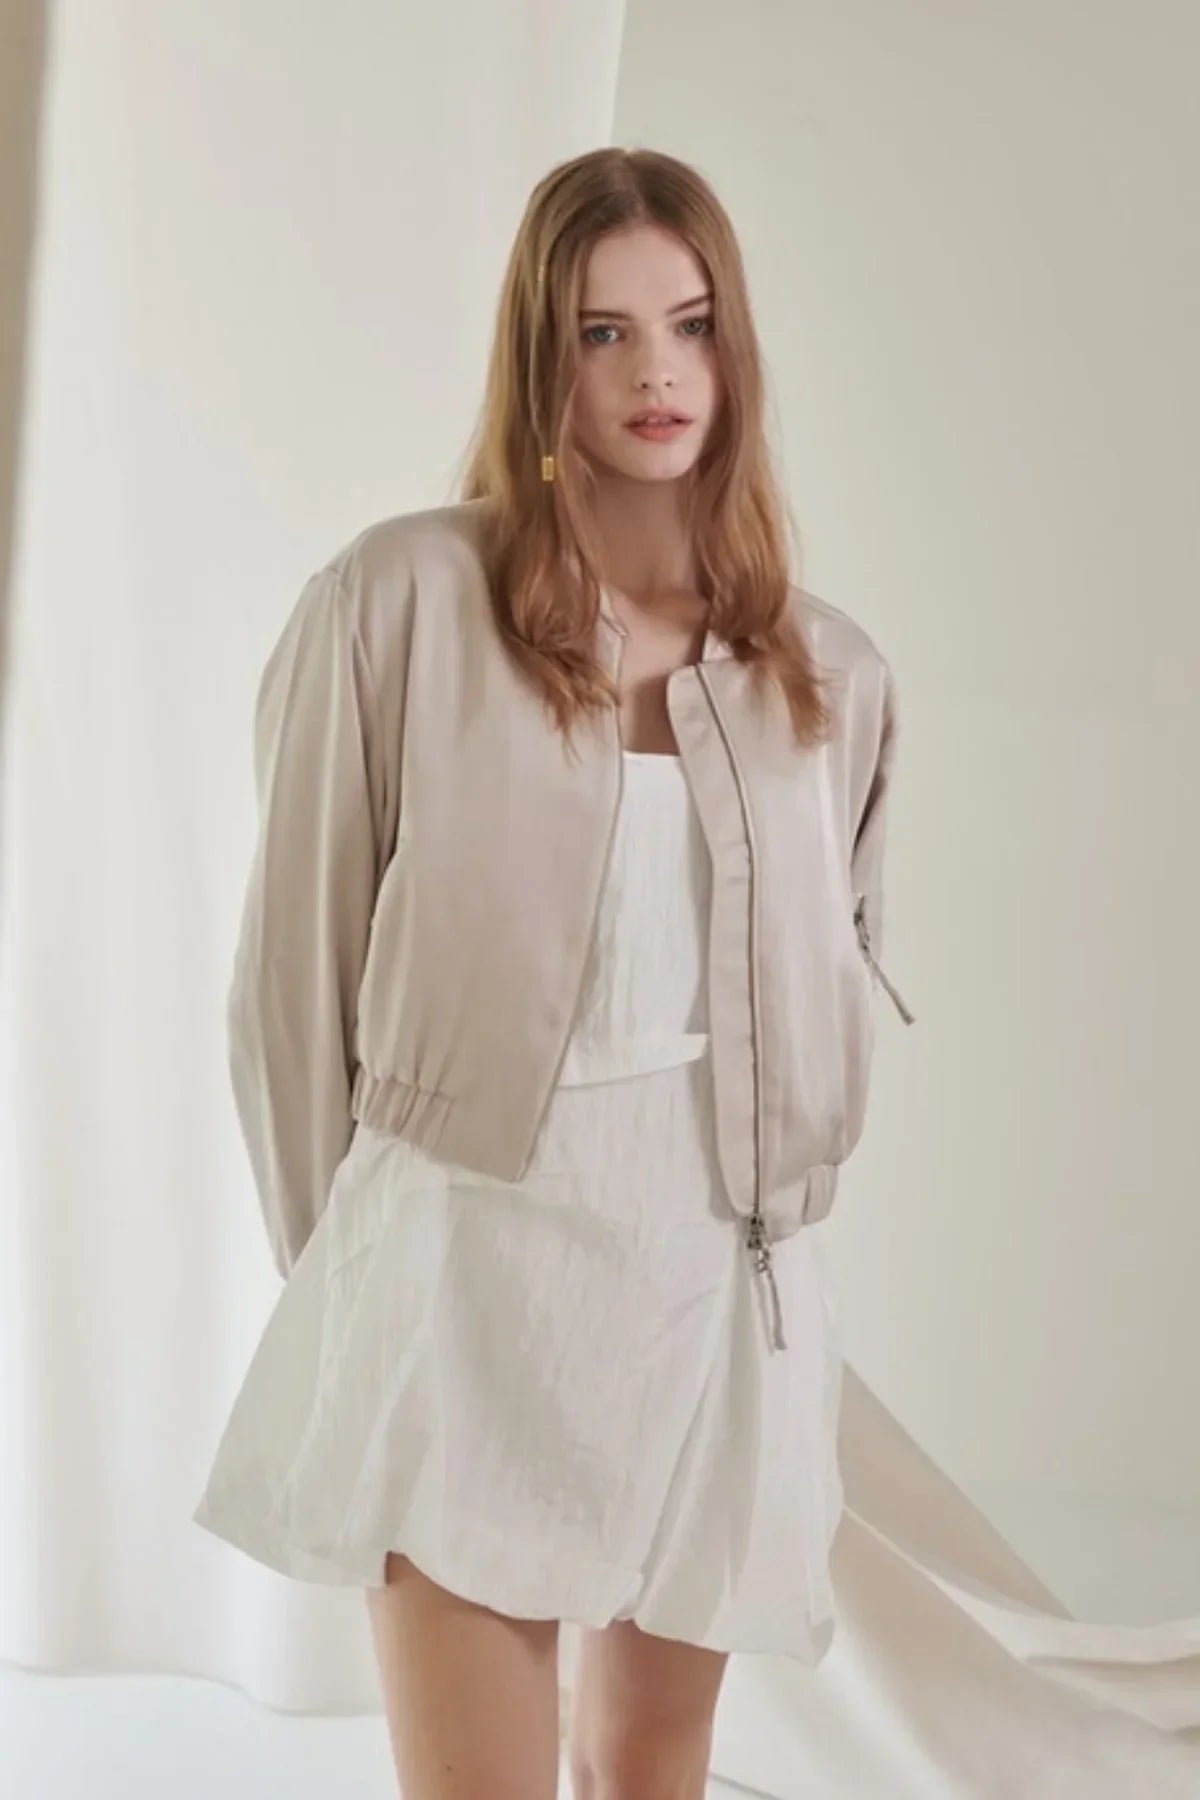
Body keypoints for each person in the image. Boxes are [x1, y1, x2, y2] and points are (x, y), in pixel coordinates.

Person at [192, 144, 913, 1800]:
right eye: (602, 334)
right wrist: (358, 1275)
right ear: (540, 354)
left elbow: (826, 1010)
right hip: (465, 1282)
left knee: (653, 1778)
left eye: (691, 323)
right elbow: (286, 993)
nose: (656, 373)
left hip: (718, 1296)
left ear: (738, 351)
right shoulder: (396, 605)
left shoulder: (836, 679)